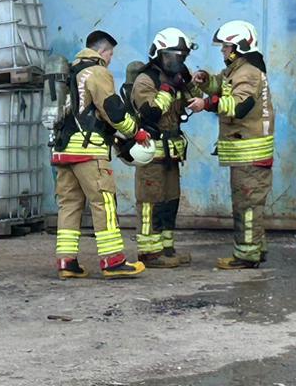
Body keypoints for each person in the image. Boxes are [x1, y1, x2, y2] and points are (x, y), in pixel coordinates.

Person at [51, 29, 147, 279]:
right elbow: (111, 109)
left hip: (63, 150)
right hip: (89, 151)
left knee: (69, 206)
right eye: (111, 54)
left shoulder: (70, 72)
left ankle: (66, 262)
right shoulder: (97, 71)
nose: (111, 59)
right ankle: (113, 261)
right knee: (103, 202)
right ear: (103, 51)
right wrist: (135, 132)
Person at [187, 19, 273, 269]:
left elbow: (239, 105)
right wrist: (204, 80)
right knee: (250, 205)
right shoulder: (237, 69)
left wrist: (206, 104)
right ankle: (256, 249)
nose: (223, 51)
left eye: (225, 47)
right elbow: (221, 84)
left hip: (251, 153)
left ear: (238, 47)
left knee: (247, 206)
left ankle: (246, 256)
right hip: (245, 153)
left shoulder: (248, 73)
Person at [128, 27, 202, 267]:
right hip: (152, 153)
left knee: (171, 200)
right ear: (159, 54)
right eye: (173, 56)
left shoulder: (176, 77)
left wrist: (194, 82)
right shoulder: (145, 80)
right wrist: (167, 90)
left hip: (171, 154)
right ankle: (149, 253)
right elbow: (150, 112)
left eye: (182, 57)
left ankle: (167, 248)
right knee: (151, 203)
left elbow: (194, 98)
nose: (178, 61)